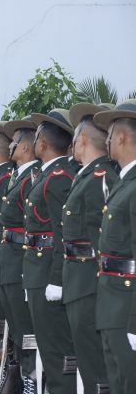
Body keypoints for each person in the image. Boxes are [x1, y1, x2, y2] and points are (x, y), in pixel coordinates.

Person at [61, 103, 116, 393]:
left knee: (95, 367)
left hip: (89, 285)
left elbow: (101, 239)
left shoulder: (100, 178)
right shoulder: (85, 175)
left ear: (82, 139)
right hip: (78, 282)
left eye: (74, 138)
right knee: (86, 362)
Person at [23, 109, 77, 394]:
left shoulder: (59, 177)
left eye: (36, 138)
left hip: (46, 273)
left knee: (55, 349)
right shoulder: (47, 174)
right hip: (36, 269)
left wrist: (56, 279)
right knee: (46, 345)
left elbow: (62, 234)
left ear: (42, 143)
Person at [93, 100, 136, 394]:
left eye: (109, 135)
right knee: (117, 381)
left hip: (125, 306)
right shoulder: (123, 182)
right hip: (111, 301)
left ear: (121, 137)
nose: (106, 141)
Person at [0, 117, 40, 393]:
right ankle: (22, 374)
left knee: (25, 328)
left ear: (25, 147)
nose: (9, 146)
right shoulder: (20, 175)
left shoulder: (34, 177)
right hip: (9, 258)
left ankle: (31, 376)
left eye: (13, 142)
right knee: (16, 325)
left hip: (21, 259)